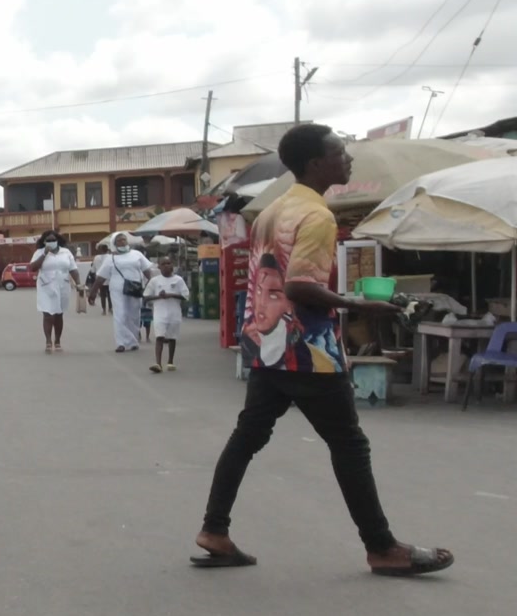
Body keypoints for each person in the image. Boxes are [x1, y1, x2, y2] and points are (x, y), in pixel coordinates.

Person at [194, 123, 453, 576]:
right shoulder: (316, 216)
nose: (347, 157)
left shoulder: (273, 211)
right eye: (339, 152)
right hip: (307, 352)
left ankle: (214, 530)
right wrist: (361, 303)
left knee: (247, 437)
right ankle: (382, 547)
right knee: (350, 445)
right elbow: (299, 285)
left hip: (266, 344)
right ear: (316, 163)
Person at [97, 233, 153, 352]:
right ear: (114, 244)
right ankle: (121, 343)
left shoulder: (137, 255)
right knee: (120, 314)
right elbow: (101, 277)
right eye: (120, 240)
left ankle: (133, 342)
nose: (123, 242)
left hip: (135, 288)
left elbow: (147, 271)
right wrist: (92, 292)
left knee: (134, 314)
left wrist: (152, 285)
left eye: (124, 240)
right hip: (117, 289)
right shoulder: (110, 258)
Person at [29, 230, 79, 353]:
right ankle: (48, 341)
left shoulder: (66, 252)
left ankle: (57, 340)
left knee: (58, 314)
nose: (51, 242)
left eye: (53, 240)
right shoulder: (39, 252)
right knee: (48, 314)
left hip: (63, 285)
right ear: (44, 242)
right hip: (46, 286)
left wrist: (79, 283)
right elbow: (33, 267)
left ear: (58, 240)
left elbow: (73, 269)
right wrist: (44, 254)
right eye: (48, 240)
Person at [144, 256, 188, 374]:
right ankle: (158, 363)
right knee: (160, 336)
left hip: (174, 312)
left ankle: (170, 361)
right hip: (160, 312)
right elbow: (146, 296)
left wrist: (171, 295)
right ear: (159, 267)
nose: (167, 266)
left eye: (169, 263)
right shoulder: (154, 281)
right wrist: (159, 296)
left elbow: (185, 296)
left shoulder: (178, 280)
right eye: (164, 264)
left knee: (172, 337)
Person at [90, 243, 113, 314]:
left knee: (102, 294)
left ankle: (104, 310)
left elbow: (92, 269)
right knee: (110, 294)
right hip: (110, 278)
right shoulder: (111, 257)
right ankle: (110, 308)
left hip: (100, 279)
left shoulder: (96, 258)